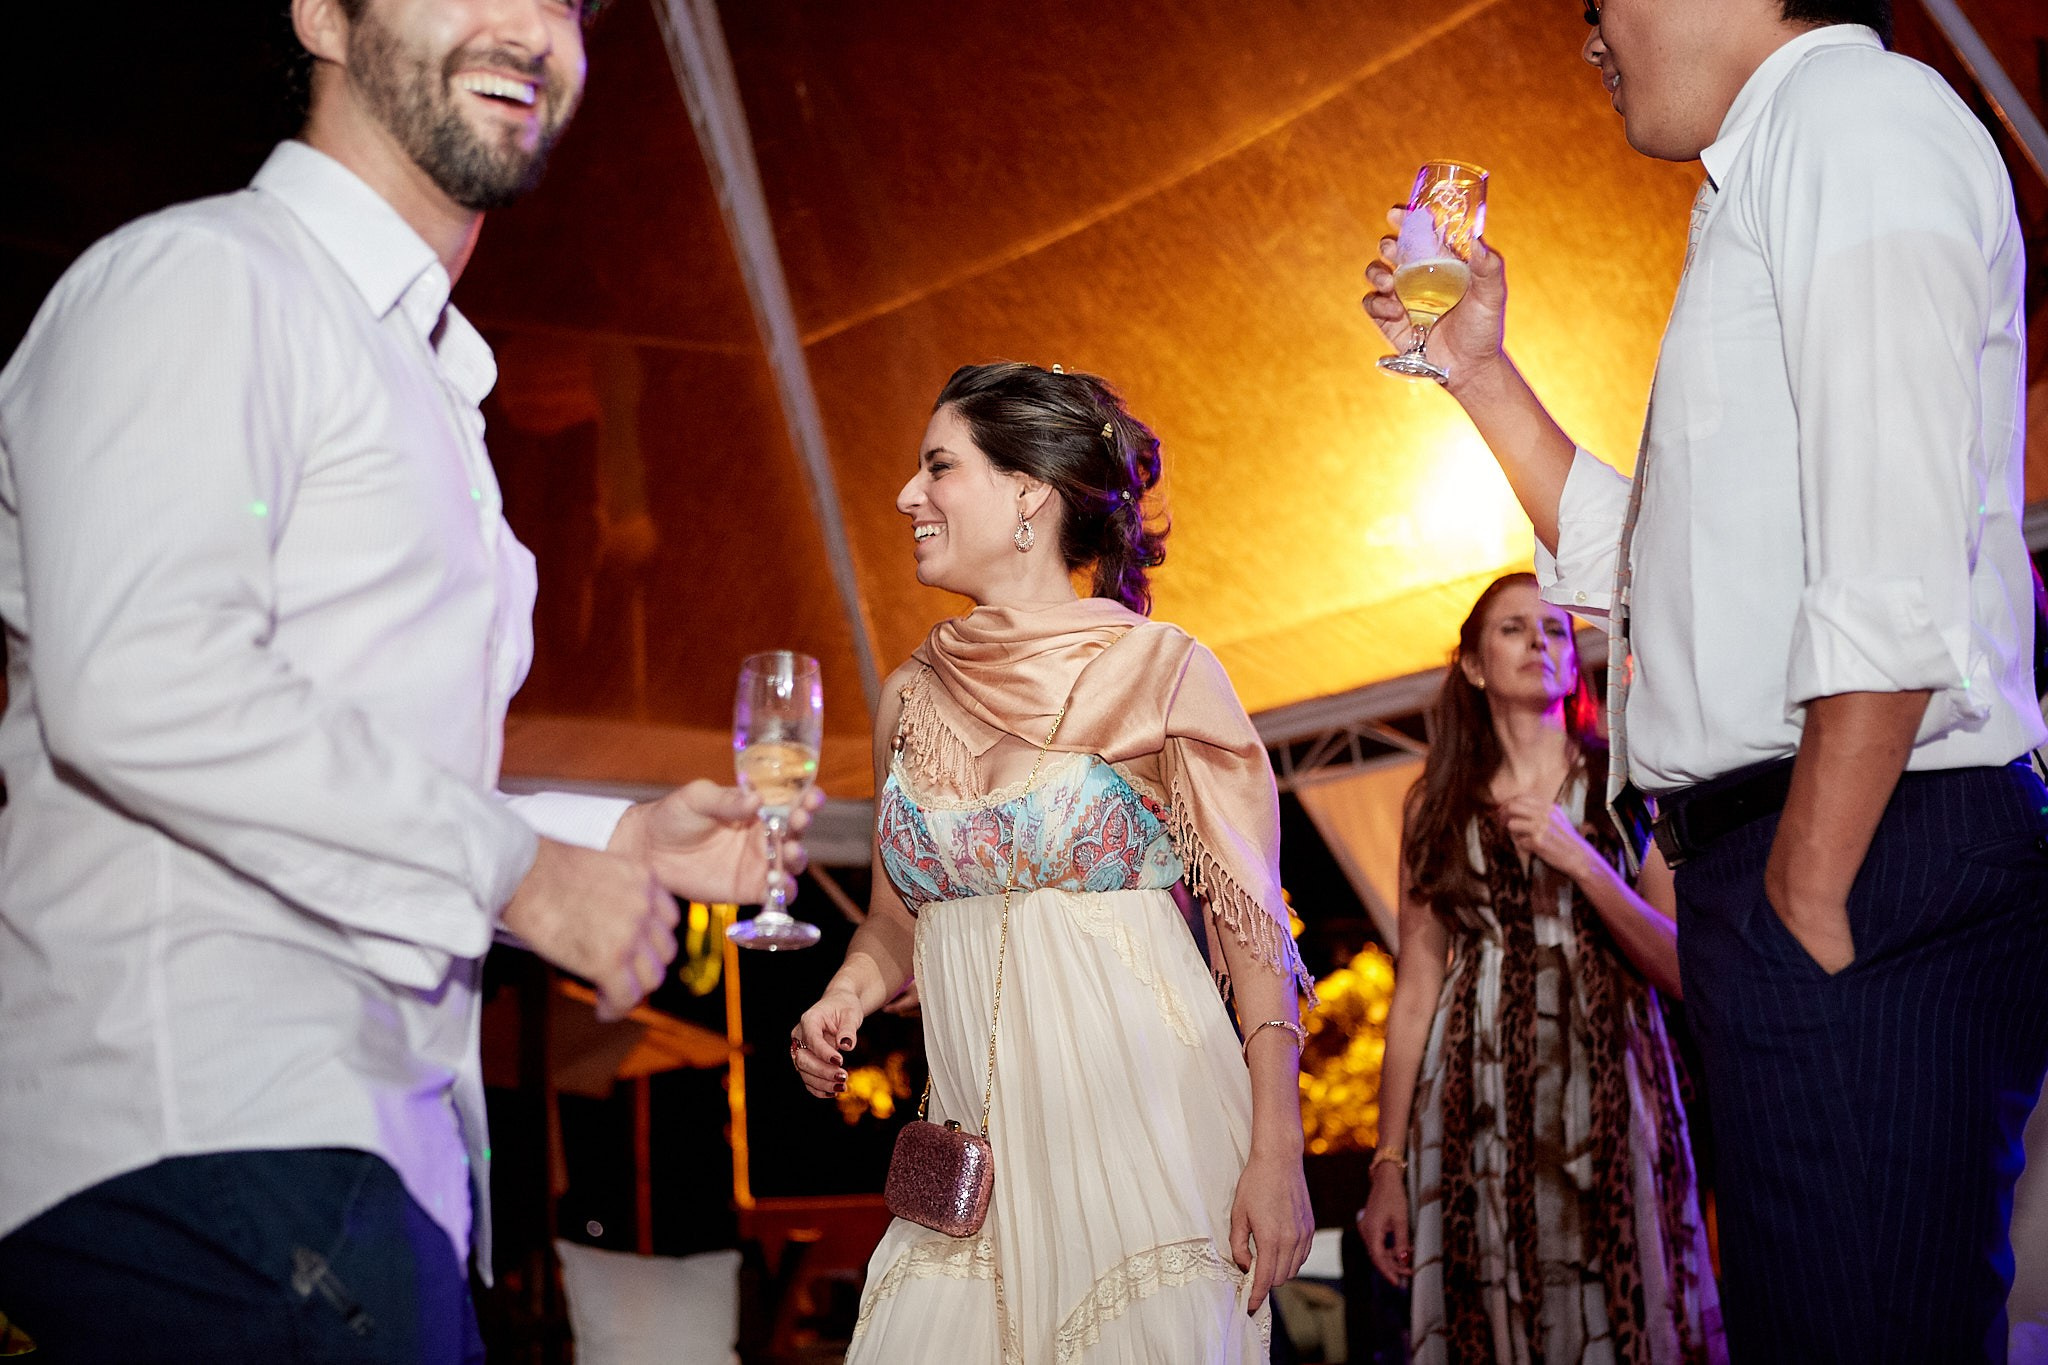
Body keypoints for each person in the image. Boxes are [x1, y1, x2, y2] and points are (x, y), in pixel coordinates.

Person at [0, 0, 814, 1357]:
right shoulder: (207, 278)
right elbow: (146, 675)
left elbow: (373, 765)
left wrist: (607, 837)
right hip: (206, 1128)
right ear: (322, 12)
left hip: (355, 1157)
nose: (529, 25)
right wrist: (518, 870)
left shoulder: (427, 381)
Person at [1362, 0, 2048, 1357]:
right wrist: (1478, 371)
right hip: (1813, 860)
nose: (1589, 34)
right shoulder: (1788, 159)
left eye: (1599, 0)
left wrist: (1806, 888)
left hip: (1856, 847)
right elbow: (1668, 580)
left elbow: (1890, 540)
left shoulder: (1854, 121)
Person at [789, 361, 1315, 1362]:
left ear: (1026, 494)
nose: (907, 495)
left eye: (937, 467)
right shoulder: (907, 694)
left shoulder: (1159, 672)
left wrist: (1275, 1148)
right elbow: (895, 918)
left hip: (1144, 1130)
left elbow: (1254, 933)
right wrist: (848, 993)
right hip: (972, 1167)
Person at [1356, 574, 1723, 1363]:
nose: (1541, 644)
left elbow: (1686, 964)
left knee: (1629, 1307)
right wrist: (1389, 1161)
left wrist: (1582, 861)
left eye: (1556, 630)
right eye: (1515, 629)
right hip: (1473, 1096)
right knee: (1491, 1311)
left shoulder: (1627, 781)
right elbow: (1416, 985)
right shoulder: (1436, 803)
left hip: (1612, 1082)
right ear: (1475, 665)